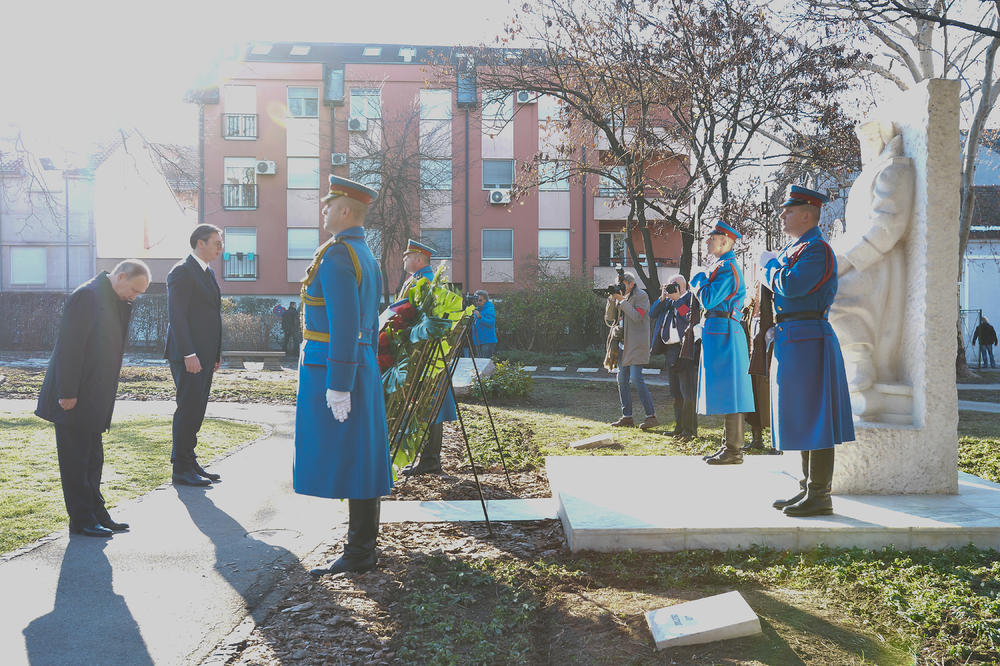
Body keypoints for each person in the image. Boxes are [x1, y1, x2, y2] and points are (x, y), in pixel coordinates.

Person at [296, 175, 392, 576]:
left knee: (354, 457)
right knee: (361, 456)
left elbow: (345, 324)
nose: (323, 210)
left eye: (329, 205)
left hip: (338, 368)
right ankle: (361, 547)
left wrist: (338, 384)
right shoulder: (362, 253)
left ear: (346, 211)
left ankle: (359, 551)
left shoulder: (338, 255)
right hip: (359, 363)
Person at [35, 260, 151, 537]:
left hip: (93, 395)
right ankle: (82, 520)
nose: (135, 296)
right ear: (121, 276)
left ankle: (97, 513)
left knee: (93, 458)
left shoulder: (114, 299)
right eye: (134, 289)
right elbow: (70, 346)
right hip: (74, 395)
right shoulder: (87, 295)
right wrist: (67, 392)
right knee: (76, 461)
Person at [760, 185, 855, 517]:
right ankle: (806, 488)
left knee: (816, 417)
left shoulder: (817, 249)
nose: (782, 215)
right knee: (801, 414)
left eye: (788, 210)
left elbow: (793, 285)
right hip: (793, 336)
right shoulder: (795, 248)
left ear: (806, 214)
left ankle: (819, 494)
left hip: (809, 336)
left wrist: (768, 268)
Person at [689, 220, 755, 465]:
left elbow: (708, 298)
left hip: (725, 331)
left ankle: (734, 450)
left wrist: (697, 279)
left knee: (732, 391)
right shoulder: (721, 266)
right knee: (728, 391)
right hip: (721, 330)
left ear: (725, 241)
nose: (707, 240)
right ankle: (729, 447)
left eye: (712, 237)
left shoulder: (727, 268)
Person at [165, 224, 224, 487]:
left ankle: (190, 461)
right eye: (217, 243)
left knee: (197, 409)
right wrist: (189, 353)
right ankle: (180, 468)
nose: (221, 248)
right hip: (188, 356)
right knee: (188, 409)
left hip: (205, 356)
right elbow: (177, 316)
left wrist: (216, 353)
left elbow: (212, 316)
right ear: (201, 243)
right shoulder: (181, 271)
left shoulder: (207, 272)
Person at [398, 239, 458, 476]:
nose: (404, 259)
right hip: (423, 353)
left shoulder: (425, 281)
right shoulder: (419, 279)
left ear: (419, 259)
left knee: (429, 405)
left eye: (407, 256)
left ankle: (430, 460)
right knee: (425, 405)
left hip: (425, 355)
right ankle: (427, 459)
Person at [605, 272, 657, 430]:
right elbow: (610, 318)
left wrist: (621, 301)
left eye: (623, 285)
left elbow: (636, 317)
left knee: (636, 378)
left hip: (636, 345)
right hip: (622, 344)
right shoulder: (619, 296)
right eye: (618, 284)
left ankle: (651, 416)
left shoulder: (641, 296)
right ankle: (627, 417)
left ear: (631, 284)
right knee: (622, 380)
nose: (620, 287)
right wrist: (612, 299)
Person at [649, 275, 698, 438]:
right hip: (670, 351)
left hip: (686, 349)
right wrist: (662, 298)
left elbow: (690, 317)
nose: (671, 288)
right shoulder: (667, 301)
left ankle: (689, 431)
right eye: (669, 285)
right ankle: (679, 428)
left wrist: (677, 300)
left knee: (687, 392)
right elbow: (652, 313)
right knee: (676, 393)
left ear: (682, 286)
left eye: (673, 285)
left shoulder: (691, 299)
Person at [471, 290, 497, 358]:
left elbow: (491, 323)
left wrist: (480, 317)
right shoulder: (477, 310)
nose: (478, 302)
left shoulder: (489, 309)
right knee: (479, 362)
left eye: (480, 300)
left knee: (485, 362)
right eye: (476, 300)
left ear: (485, 300)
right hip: (478, 341)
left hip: (487, 341)